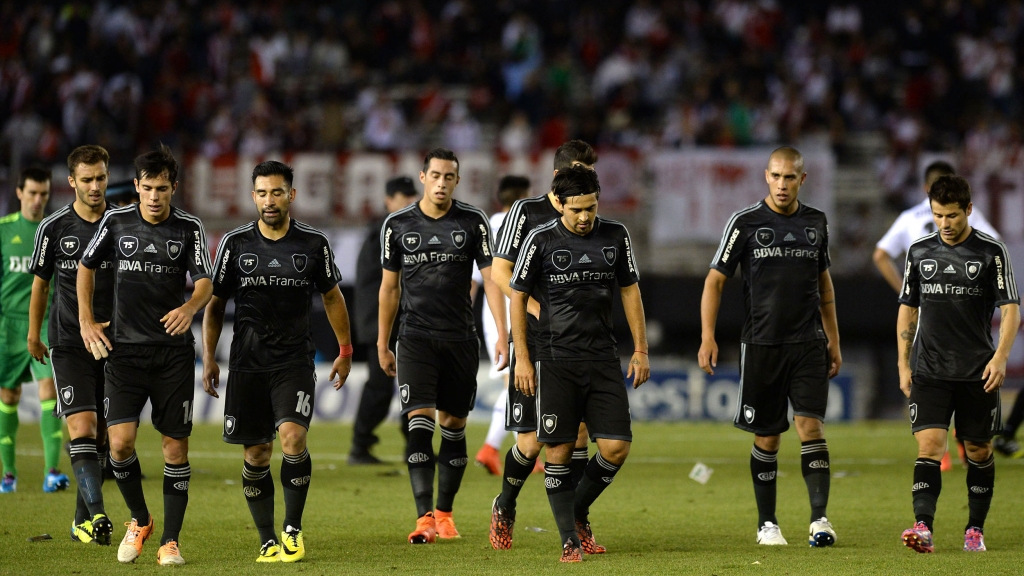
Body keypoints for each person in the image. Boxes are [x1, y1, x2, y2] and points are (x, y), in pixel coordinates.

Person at [202, 161, 353, 563]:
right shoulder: (235, 244)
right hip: (247, 363)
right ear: (253, 197)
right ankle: (267, 538)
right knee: (256, 454)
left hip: (293, 361)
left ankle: (292, 529)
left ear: (291, 195)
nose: (270, 200)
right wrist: (209, 357)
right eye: (263, 193)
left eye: (277, 192)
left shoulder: (313, 243)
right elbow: (215, 305)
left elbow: (332, 297)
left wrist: (345, 351)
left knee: (292, 439)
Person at [699, 146, 842, 547]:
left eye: (789, 177)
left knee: (811, 426)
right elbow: (714, 281)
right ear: (766, 176)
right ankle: (767, 524)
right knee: (768, 438)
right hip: (762, 345)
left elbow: (824, 284)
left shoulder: (816, 222)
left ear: (802, 179)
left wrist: (833, 339)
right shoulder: (744, 222)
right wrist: (708, 336)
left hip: (809, 343)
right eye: (776, 176)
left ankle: (819, 519)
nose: (782, 184)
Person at [78, 145, 213, 566]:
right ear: (136, 186)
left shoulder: (189, 227)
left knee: (175, 449)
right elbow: (86, 266)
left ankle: (170, 541)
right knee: (119, 445)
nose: (155, 196)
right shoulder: (116, 221)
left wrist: (190, 308)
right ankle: (140, 519)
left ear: (174, 188)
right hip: (124, 354)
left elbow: (205, 281)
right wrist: (86, 320)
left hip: (173, 356)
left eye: (163, 189)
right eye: (148, 188)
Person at [509, 165, 649, 562]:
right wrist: (523, 358)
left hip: (602, 357)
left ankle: (577, 509)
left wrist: (641, 349)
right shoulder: (540, 239)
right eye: (576, 210)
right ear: (559, 204)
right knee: (558, 450)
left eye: (591, 207)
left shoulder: (616, 235)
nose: (585, 217)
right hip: (556, 360)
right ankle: (569, 540)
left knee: (616, 448)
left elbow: (630, 290)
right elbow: (517, 297)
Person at [378, 148, 508, 544]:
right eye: (435, 175)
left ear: (457, 181)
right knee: (419, 422)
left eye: (448, 177)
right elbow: (389, 288)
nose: (441, 183)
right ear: (423, 177)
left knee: (453, 425)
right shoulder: (397, 224)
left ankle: (446, 514)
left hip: (460, 339)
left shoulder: (473, 221)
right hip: (414, 337)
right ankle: (424, 518)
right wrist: (383, 342)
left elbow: (492, 280)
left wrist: (503, 334)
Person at [897, 175, 1020, 553]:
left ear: (968, 209)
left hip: (977, 371)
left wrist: (1000, 357)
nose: (945, 223)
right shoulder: (919, 251)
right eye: (938, 215)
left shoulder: (991, 252)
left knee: (979, 450)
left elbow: (1011, 309)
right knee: (930, 446)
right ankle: (923, 527)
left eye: (952, 215)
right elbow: (907, 309)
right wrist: (903, 364)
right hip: (929, 369)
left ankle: (974, 530)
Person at [489, 140, 600, 551]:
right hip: (535, 340)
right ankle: (506, 503)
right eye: (578, 172)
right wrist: (536, 309)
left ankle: (578, 521)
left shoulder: (590, 216)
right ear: (557, 176)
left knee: (580, 433)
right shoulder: (526, 212)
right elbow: (500, 272)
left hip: (579, 343)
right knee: (532, 442)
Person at [874, 161, 1001, 469]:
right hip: (964, 312)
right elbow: (995, 245)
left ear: (925, 188)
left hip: (926, 312)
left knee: (931, 375)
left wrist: (907, 292)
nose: (944, 221)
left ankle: (939, 444)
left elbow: (880, 255)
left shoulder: (909, 217)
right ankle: (956, 440)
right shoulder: (968, 215)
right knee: (960, 373)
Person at [28, 146, 115, 544]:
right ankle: (98, 515)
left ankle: (81, 519)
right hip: (68, 340)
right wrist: (34, 334)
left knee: (104, 436)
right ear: (72, 182)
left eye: (100, 178)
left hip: (113, 342)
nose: (95, 186)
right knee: (82, 425)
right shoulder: (54, 227)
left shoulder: (122, 224)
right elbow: (41, 285)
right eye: (87, 180)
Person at [0, 166, 69, 494]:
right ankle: (8, 474)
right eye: (32, 193)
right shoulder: (4, 231)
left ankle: (51, 472)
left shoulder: (55, 230)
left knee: (48, 391)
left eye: (43, 193)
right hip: (7, 325)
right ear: (19, 193)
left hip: (44, 322)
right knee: (8, 396)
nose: (38, 200)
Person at [348, 176, 418, 465]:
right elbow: (379, 285)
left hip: (397, 321)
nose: (410, 202)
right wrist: (375, 329)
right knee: (380, 386)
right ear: (389, 201)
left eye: (412, 197)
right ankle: (360, 445)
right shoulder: (384, 232)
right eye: (403, 197)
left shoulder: (395, 230)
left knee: (413, 385)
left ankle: (414, 446)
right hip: (382, 323)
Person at [473, 175, 531, 475]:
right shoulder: (524, 226)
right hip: (515, 311)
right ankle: (493, 448)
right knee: (517, 384)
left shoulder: (486, 227)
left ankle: (524, 449)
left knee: (520, 383)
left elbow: (475, 280)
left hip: (491, 315)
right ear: (523, 196)